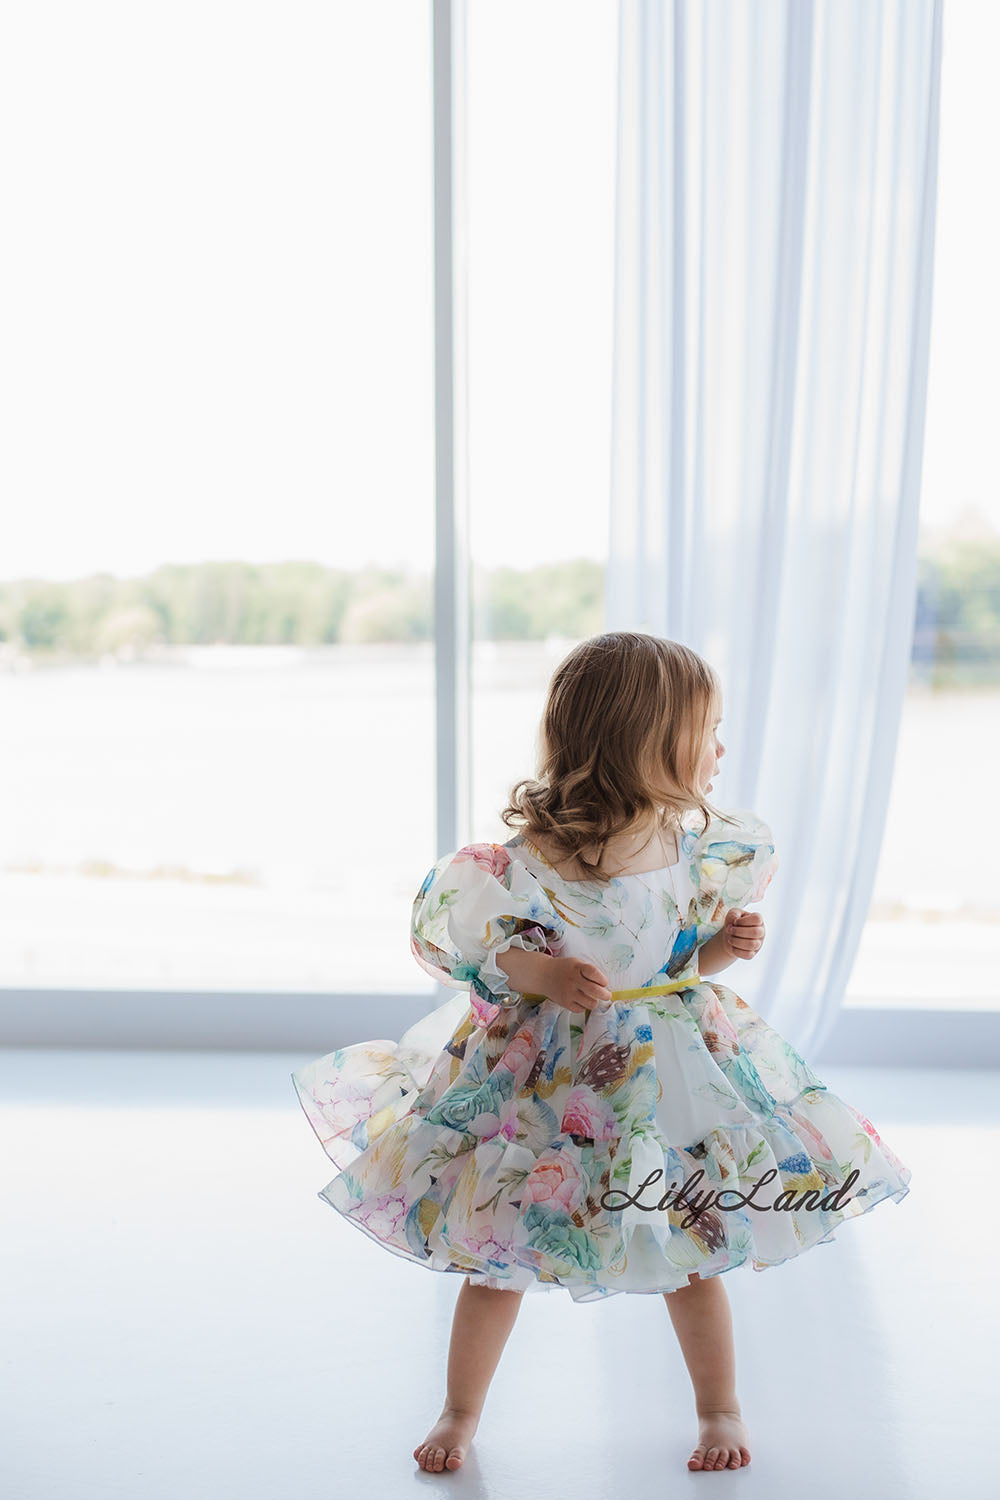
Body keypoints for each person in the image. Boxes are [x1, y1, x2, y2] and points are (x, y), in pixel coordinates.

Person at [291, 631, 911, 1476]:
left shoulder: (696, 850)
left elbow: (676, 958)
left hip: (668, 1069)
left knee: (693, 1241)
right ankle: (459, 1412)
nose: (723, 749)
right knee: (498, 1251)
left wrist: (725, 943)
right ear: (644, 742)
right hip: (547, 1078)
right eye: (708, 730)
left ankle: (719, 1409)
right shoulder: (526, 863)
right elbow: (493, 955)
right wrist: (545, 972)